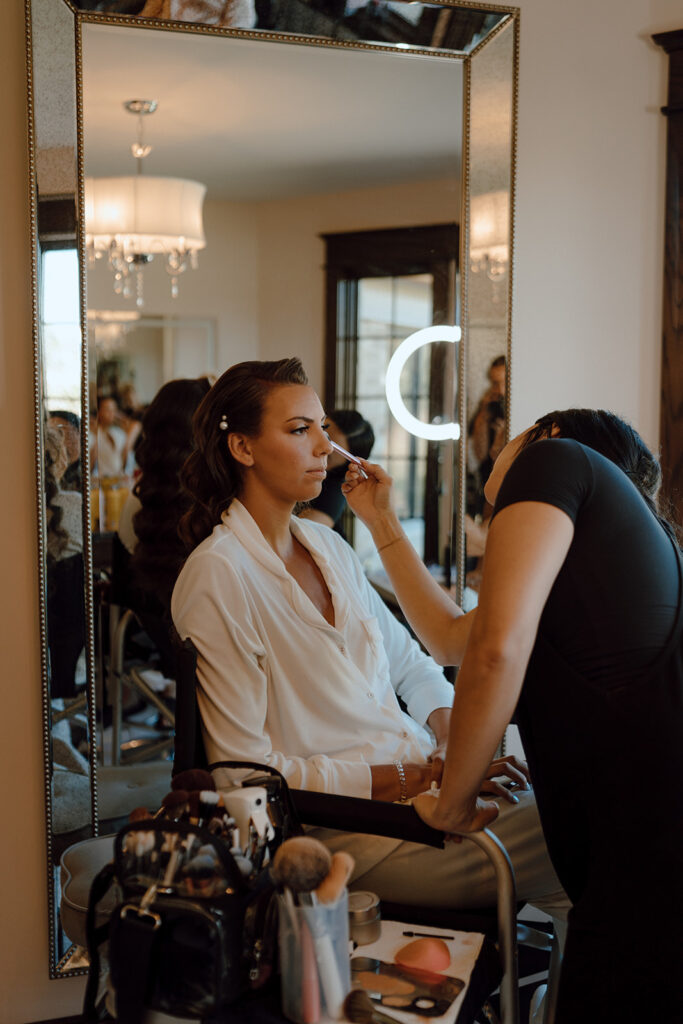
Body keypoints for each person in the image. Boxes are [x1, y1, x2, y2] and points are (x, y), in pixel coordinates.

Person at [171, 357, 568, 921]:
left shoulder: (326, 546)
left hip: (423, 795)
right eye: (299, 430)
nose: (325, 449)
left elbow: (414, 663)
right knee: (585, 829)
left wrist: (456, 748)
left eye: (324, 429)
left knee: (582, 837)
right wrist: (418, 777)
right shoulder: (219, 576)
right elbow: (244, 774)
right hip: (348, 832)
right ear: (242, 448)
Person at [342, 408, 682, 1022]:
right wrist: (382, 522)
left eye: (513, 435)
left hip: (646, 855)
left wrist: (453, 801)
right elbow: (450, 639)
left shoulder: (553, 461)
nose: (500, 447)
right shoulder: (594, 577)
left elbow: (496, 650)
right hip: (635, 846)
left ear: (545, 438)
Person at [115, 376, 212, 681]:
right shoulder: (224, 502)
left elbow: (126, 587)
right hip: (225, 660)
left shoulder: (138, 504)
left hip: (175, 652)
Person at [298, 408, 374, 534]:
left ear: (336, 469)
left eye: (328, 454)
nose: (318, 444)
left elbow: (299, 534)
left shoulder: (333, 493)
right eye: (323, 428)